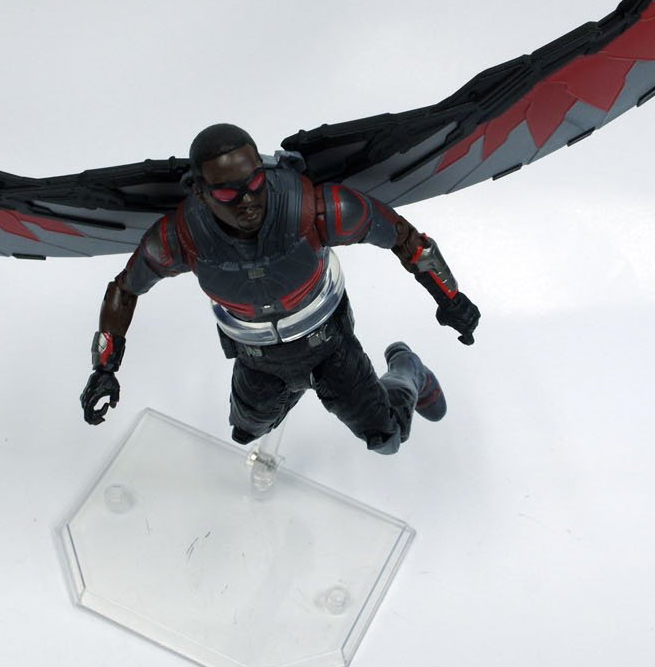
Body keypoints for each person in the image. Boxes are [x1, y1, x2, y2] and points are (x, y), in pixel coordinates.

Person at [78, 123, 480, 454]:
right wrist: (104, 368)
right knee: (246, 433)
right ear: (198, 190)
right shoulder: (179, 238)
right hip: (257, 358)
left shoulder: (316, 209)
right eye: (227, 192)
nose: (247, 200)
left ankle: (407, 371)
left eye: (255, 182)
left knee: (387, 438)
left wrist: (450, 297)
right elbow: (125, 289)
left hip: (329, 346)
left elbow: (405, 238)